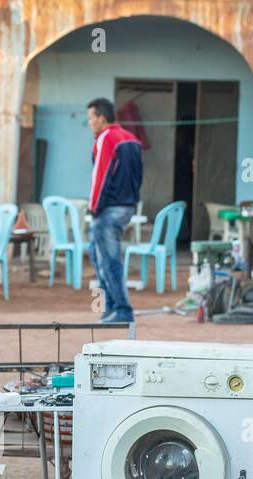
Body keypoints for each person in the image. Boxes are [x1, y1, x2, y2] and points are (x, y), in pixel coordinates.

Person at [86, 97, 142, 324]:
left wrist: (93, 208)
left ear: (101, 118)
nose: (89, 123)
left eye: (90, 118)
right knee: (96, 253)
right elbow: (138, 177)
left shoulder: (107, 138)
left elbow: (100, 176)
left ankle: (122, 309)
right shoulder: (132, 139)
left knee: (109, 259)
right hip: (126, 206)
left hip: (109, 208)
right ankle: (109, 306)